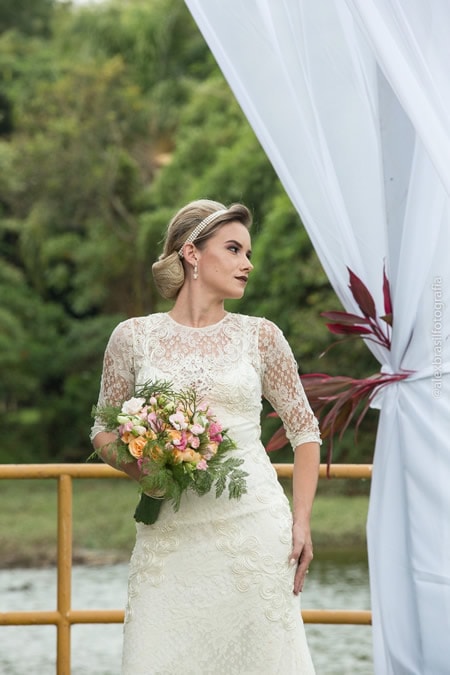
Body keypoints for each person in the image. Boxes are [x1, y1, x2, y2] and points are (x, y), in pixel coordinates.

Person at [91, 199, 321, 674]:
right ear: (192, 253)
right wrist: (145, 465)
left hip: (255, 532)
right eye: (234, 249)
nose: (247, 263)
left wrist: (301, 523)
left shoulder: (261, 337)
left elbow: (305, 430)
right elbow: (103, 429)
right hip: (169, 536)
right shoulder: (133, 337)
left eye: (248, 253)